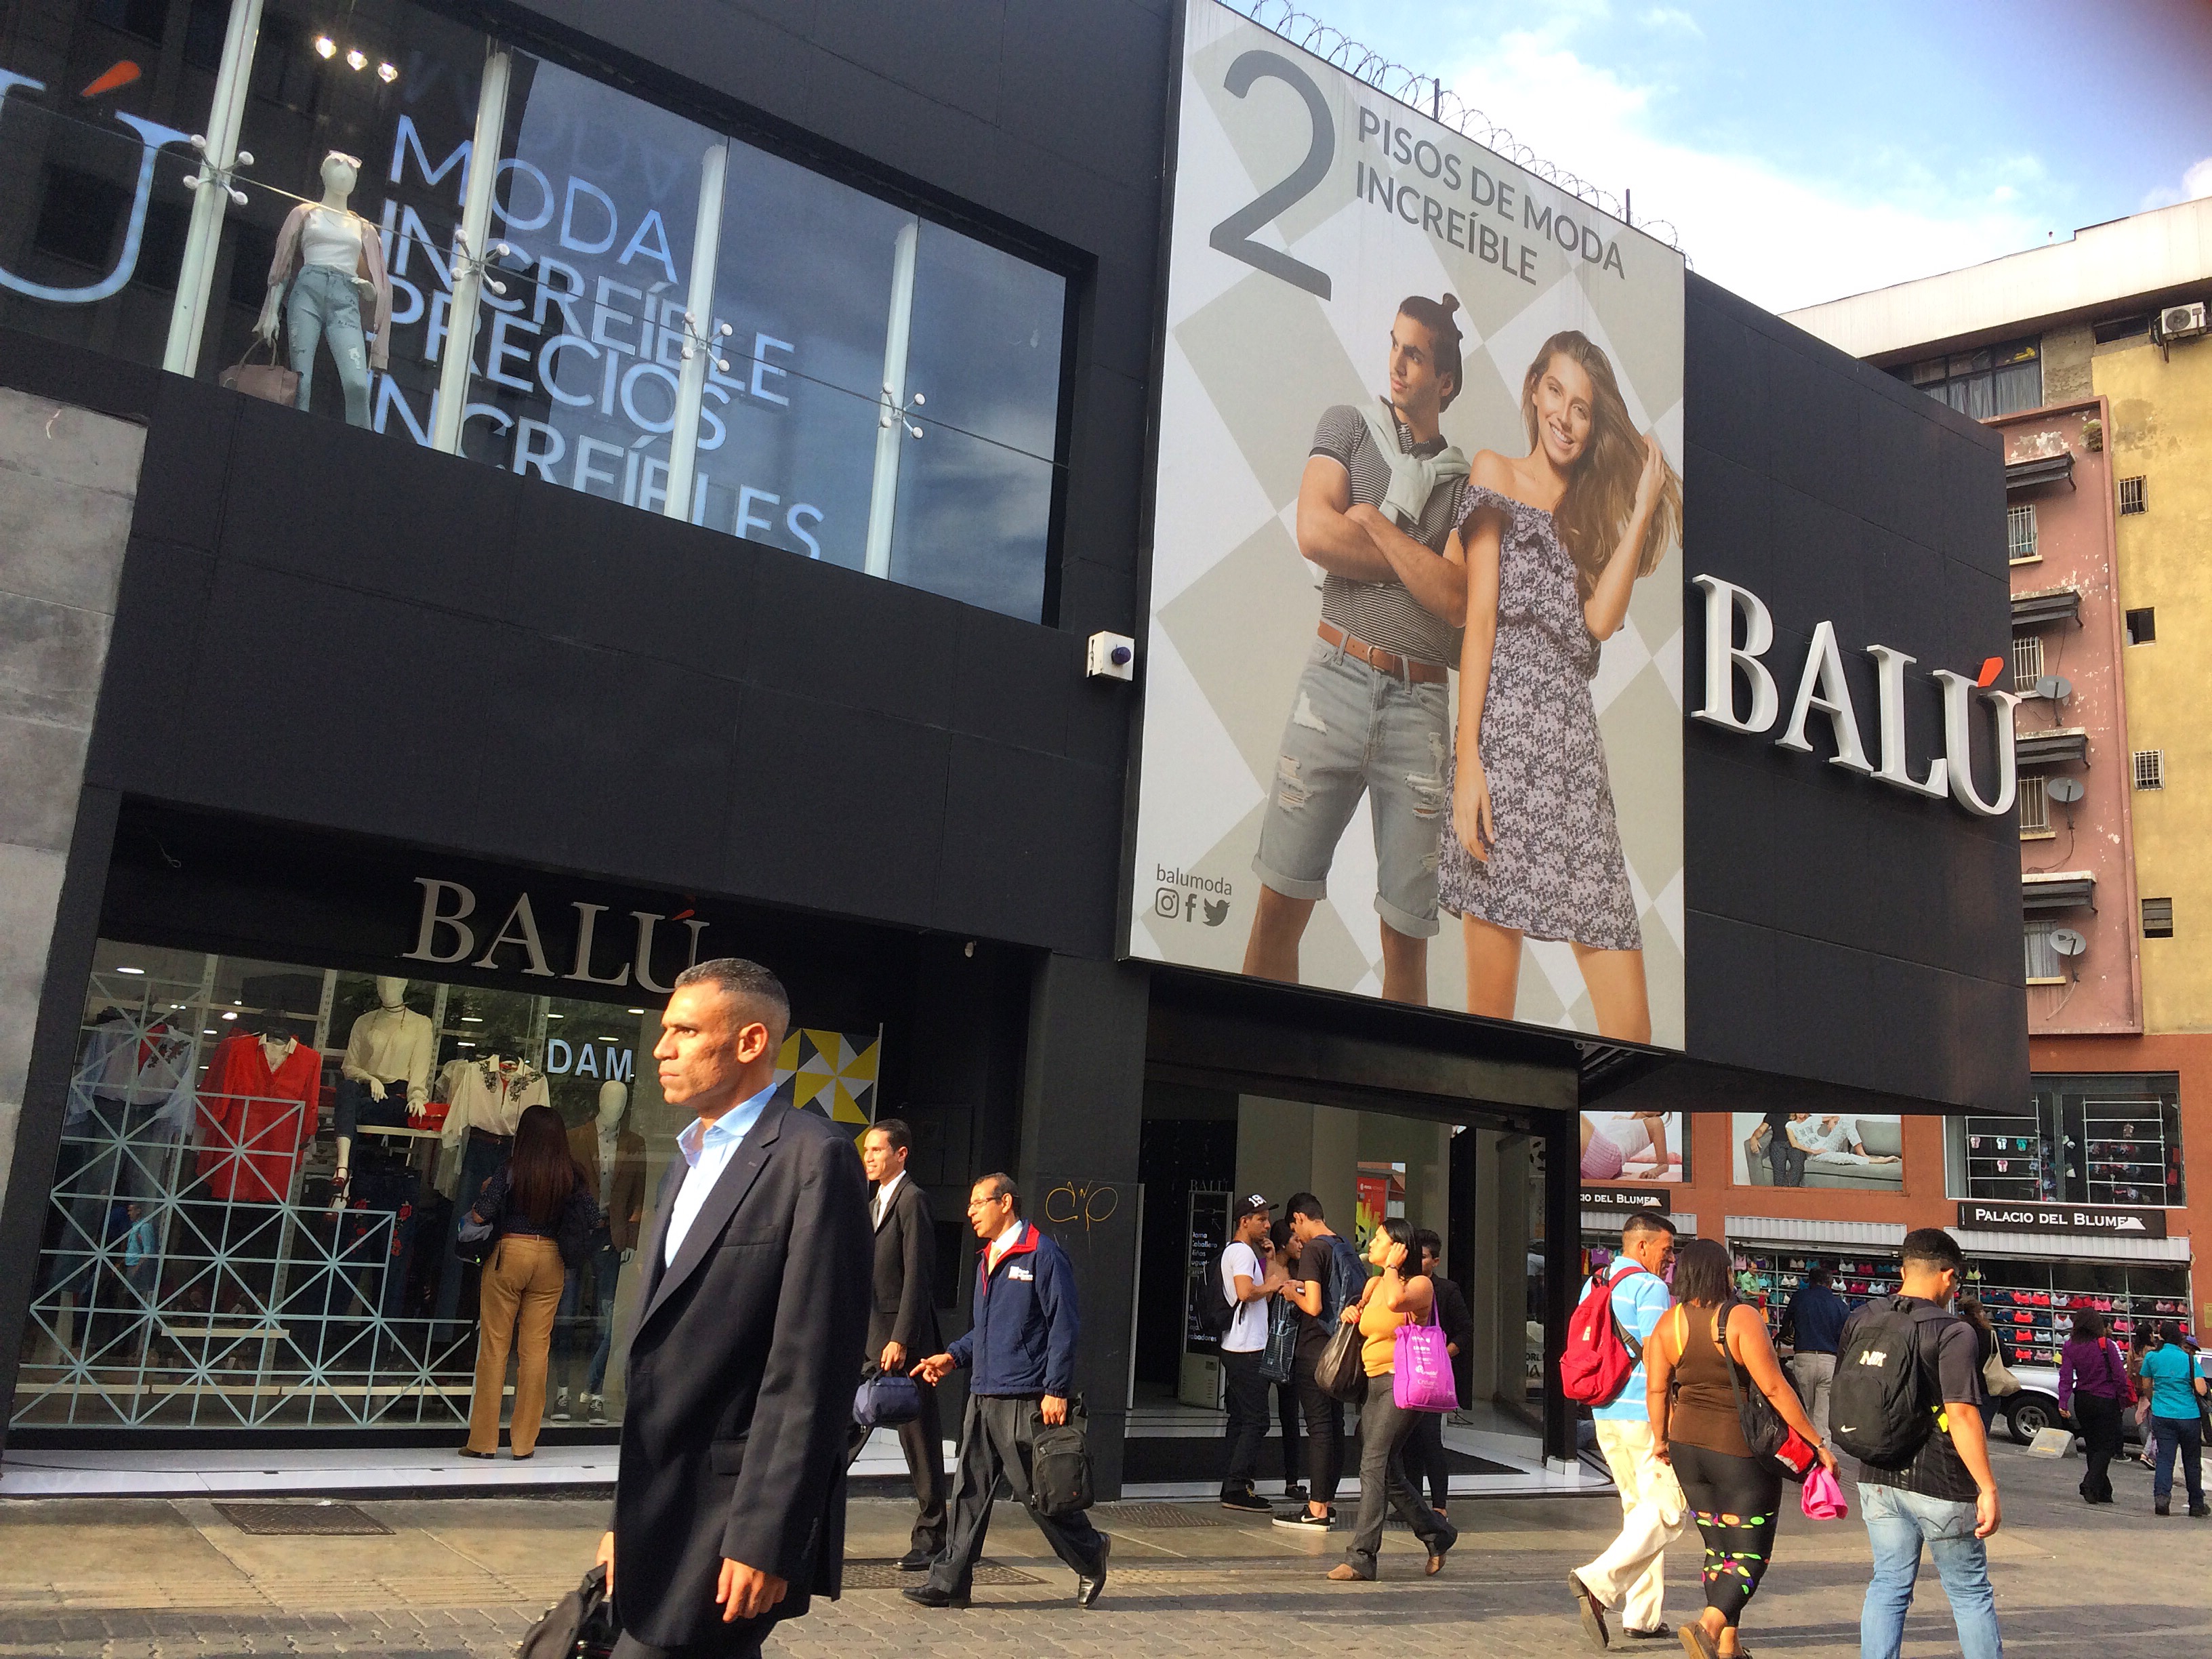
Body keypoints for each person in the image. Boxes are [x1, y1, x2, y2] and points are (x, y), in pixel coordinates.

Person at [594, 960, 870, 1659]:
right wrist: (626, 1520)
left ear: (750, 1043)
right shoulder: (687, 1158)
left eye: (685, 1031)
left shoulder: (816, 1158)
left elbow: (811, 1368)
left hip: (733, 1517)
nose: (661, 1049)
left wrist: (766, 1535)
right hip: (661, 1505)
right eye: (665, 1031)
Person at [1441, 331, 1682, 1042]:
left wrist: (1640, 508)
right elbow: (1478, 624)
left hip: (1576, 772)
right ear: (1534, 388)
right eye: (1555, 393)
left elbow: (1600, 622)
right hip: (1503, 762)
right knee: (1491, 1026)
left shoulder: (1589, 519)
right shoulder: (1494, 471)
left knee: (1631, 1036)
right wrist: (1468, 763)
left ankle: (1629, 1147)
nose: (1565, 417)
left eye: (1583, 407)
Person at [1242, 295, 1473, 1006]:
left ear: (1446, 382)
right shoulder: (1346, 426)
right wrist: (1414, 560)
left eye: (1416, 355)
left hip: (1421, 708)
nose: (1398, 364)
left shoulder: (1467, 485)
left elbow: (1459, 604)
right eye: (1395, 346)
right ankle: (1260, 1082)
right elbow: (1316, 534)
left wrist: (1370, 522)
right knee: (1279, 905)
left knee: (1405, 938)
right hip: (1332, 685)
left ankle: (1398, 1116)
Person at [908, 1175, 1111, 1608]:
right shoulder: (989, 1257)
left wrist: (1056, 1389)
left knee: (1040, 1496)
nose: (970, 1212)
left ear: (1005, 1203)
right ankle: (949, 1583)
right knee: (968, 1492)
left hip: (1026, 1397)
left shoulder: (1043, 1253)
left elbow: (1064, 1325)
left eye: (978, 1203)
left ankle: (1090, 1553)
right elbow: (987, 1329)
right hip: (983, 1394)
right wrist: (953, 1357)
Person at [1643, 1237, 1837, 1659]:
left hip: (1687, 1449)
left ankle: (1729, 1646)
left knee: (1719, 1550)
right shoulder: (1740, 1318)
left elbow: (1657, 1389)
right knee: (1750, 1554)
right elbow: (1773, 1387)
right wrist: (1815, 1442)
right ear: (1721, 1272)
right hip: (1739, 1451)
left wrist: (1660, 1441)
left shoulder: (1667, 1324)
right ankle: (1708, 1626)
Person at [1849, 1227, 2004, 1659]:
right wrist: (1987, 1488)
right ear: (1948, 1275)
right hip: (1941, 1482)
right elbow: (1962, 1414)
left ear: (1903, 1269)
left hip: (1876, 1475)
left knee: (1888, 1584)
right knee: (1970, 1592)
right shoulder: (1953, 1332)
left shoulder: (1862, 1317)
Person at [1565, 1210, 1682, 1651]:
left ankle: (1643, 1616)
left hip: (1604, 1410)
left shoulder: (1593, 1284)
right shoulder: (1652, 1288)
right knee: (1670, 1509)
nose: (1670, 1260)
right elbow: (1660, 1356)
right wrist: (1667, 1423)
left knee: (1639, 1512)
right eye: (1667, 1250)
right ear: (1643, 1246)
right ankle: (1599, 1583)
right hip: (1642, 1414)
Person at [460, 1103, 600, 1461]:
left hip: (510, 1254)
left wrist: (487, 1190)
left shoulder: (511, 1169)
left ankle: (483, 1442)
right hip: (551, 1260)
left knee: (494, 1348)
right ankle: (524, 1444)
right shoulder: (572, 1174)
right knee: (536, 1352)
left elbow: (481, 1212)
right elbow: (591, 1215)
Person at [1327, 1218, 1457, 1582]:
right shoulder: (1373, 1283)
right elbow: (1367, 1323)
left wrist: (1392, 1269)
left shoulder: (1419, 1284)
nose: (1374, 1242)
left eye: (1382, 1238)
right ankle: (1438, 1534)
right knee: (1387, 1471)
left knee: (1373, 1462)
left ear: (1399, 1248)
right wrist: (1351, 1313)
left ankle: (1361, 1557)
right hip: (1371, 1383)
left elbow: (1397, 1302)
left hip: (1403, 1383)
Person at [848, 1120, 946, 1569]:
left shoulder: (913, 1201)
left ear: (901, 1155)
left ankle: (932, 1539)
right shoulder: (872, 1204)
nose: (868, 1157)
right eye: (865, 1150)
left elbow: (917, 1277)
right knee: (846, 1430)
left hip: (904, 1347)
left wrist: (901, 1339)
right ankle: (808, 1523)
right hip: (868, 1341)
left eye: (876, 1150)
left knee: (919, 1443)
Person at [1277, 1192, 1362, 1530]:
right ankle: (1327, 1500)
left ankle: (1316, 1509)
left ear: (1300, 1217)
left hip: (1315, 1349)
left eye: (1295, 1228)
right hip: (1341, 1350)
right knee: (1334, 1424)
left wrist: (1290, 1292)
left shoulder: (1314, 1249)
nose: (1296, 1238)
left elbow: (1312, 1306)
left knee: (1318, 1427)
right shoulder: (1342, 1245)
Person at [1218, 1193, 1289, 1511]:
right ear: (1244, 1222)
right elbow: (1248, 1293)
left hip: (1239, 1345)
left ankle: (1235, 1483)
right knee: (1257, 1421)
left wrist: (1271, 1264)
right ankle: (1237, 1485)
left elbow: (1261, 1296)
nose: (1267, 1224)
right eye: (1260, 1219)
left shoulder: (1244, 1253)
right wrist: (1271, 1284)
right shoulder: (1242, 1254)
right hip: (1247, 1348)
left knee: (1242, 1418)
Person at [1404, 1228, 1472, 1517]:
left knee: (1431, 1438)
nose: (1416, 1263)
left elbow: (1466, 1331)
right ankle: (1413, 1502)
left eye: (1423, 1258)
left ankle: (1439, 1505)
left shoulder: (1446, 1290)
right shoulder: (1402, 1287)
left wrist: (1443, 1354)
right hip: (1406, 1371)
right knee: (1407, 1439)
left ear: (1436, 1261)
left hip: (1432, 1374)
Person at [2057, 1309, 2129, 1505]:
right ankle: (2089, 1484)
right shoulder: (2105, 1345)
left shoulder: (2070, 1346)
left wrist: (2063, 1401)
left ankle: (2102, 1491)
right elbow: (2120, 1377)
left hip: (2083, 1398)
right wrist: (2122, 1399)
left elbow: (2065, 1377)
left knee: (2093, 1446)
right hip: (2106, 1399)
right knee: (2107, 1446)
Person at [2137, 1320, 2208, 1517]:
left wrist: (2157, 1401)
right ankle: (2196, 1503)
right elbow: (2201, 1389)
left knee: (2165, 1459)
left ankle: (2162, 1499)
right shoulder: (2188, 1359)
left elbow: (2146, 1386)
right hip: (2189, 1416)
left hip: (2162, 1414)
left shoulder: (2152, 1357)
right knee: (2192, 1462)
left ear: (2160, 1337)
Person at [1778, 1265, 1847, 1446]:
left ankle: (1804, 1458)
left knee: (1803, 1412)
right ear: (1831, 1284)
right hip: (1829, 1361)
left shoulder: (1799, 1298)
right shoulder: (1840, 1306)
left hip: (1804, 1357)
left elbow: (1786, 1328)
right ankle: (1825, 1459)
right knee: (1823, 1417)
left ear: (1810, 1282)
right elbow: (1844, 1339)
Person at [1269, 1216, 1307, 1502]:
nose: (1301, 1243)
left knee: (1290, 1417)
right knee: (1253, 1417)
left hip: (1291, 1351)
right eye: (1295, 1239)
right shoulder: (1267, 1267)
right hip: (1265, 1347)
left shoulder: (1301, 1271)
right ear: (1284, 1242)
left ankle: (1292, 1479)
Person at [1957, 1297, 2006, 1431]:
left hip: (1960, 1390)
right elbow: (2008, 1360)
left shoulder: (1954, 1333)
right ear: (1978, 1313)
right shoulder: (1989, 1335)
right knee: (1982, 1433)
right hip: (1985, 1390)